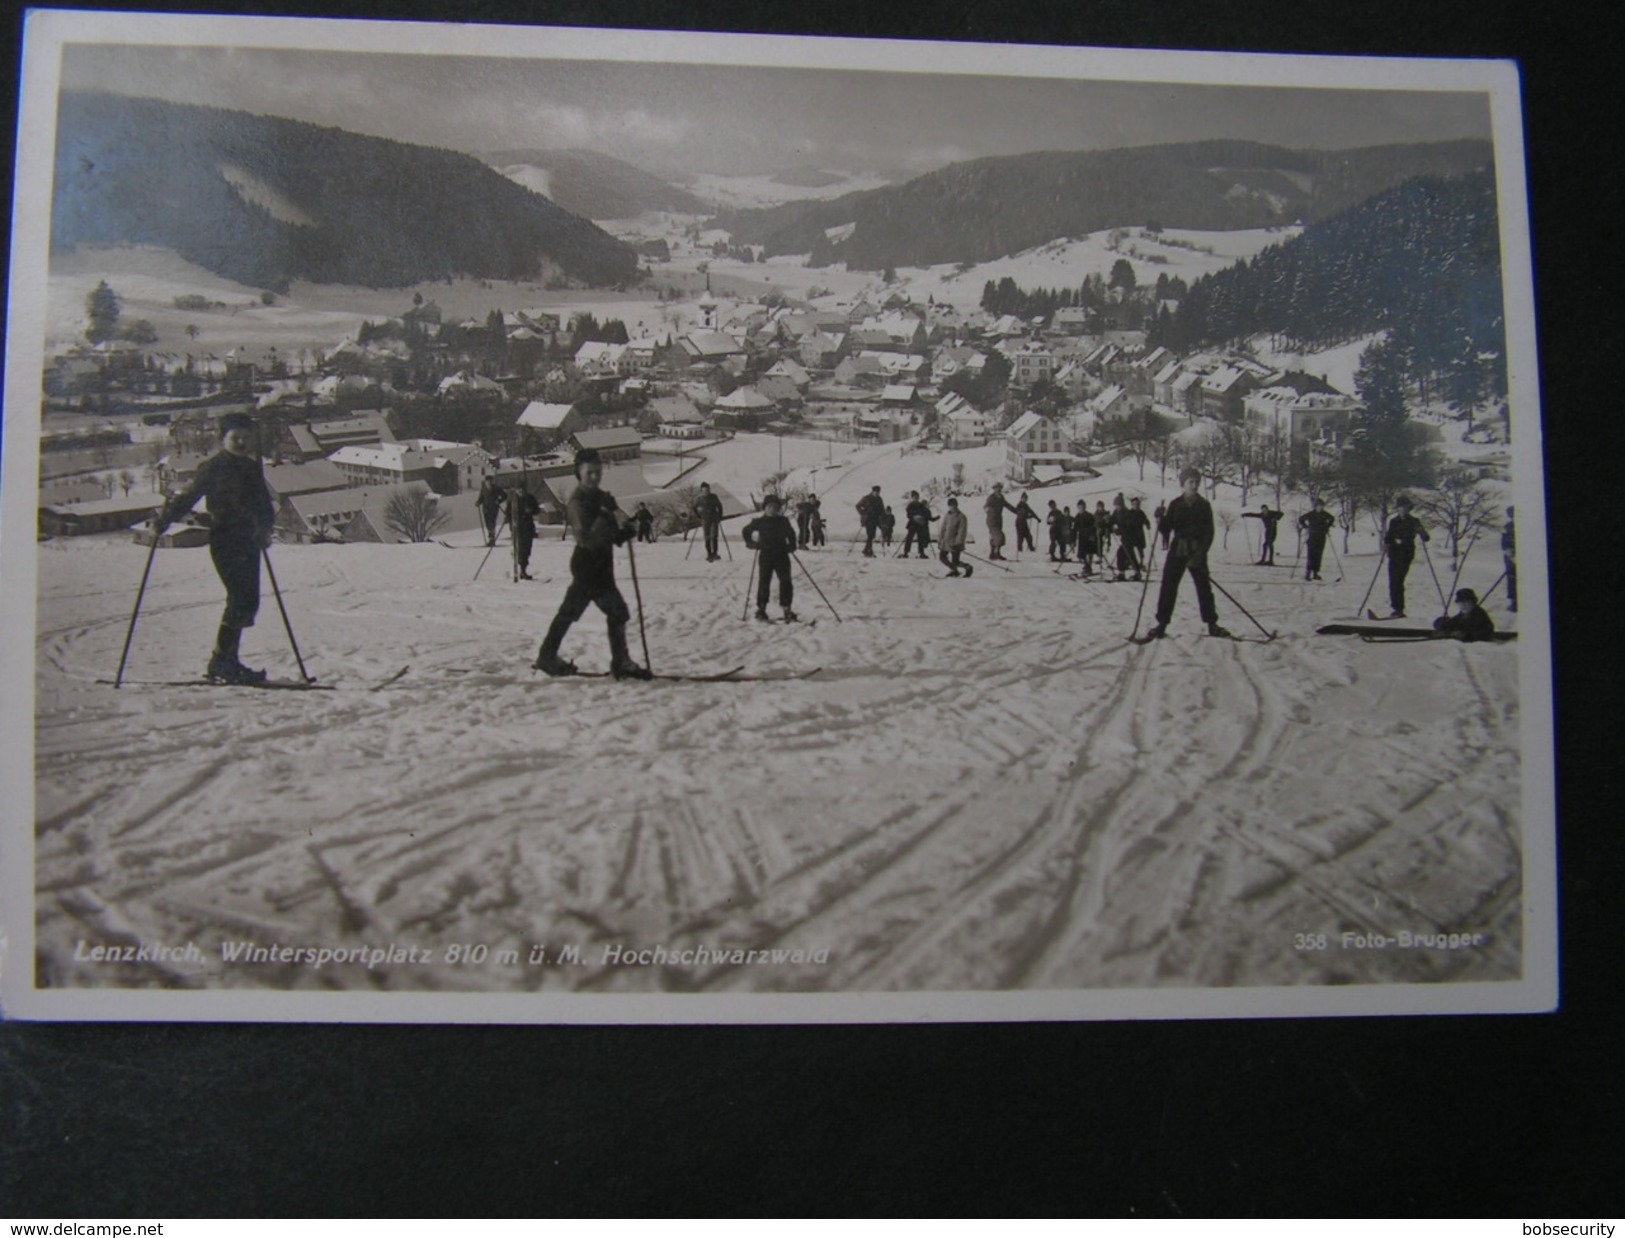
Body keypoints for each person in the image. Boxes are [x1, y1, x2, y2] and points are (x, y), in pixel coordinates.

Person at [153, 410, 276, 684]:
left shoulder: (251, 466)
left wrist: (264, 527)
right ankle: (222, 662)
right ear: (223, 439)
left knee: (248, 601)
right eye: (236, 437)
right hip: (226, 539)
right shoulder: (213, 468)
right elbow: (188, 498)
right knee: (239, 599)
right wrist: (165, 520)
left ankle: (226, 660)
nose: (242, 442)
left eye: (246, 437)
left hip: (249, 541)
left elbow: (263, 504)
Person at [532, 448, 650, 679]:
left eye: (598, 472)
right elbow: (586, 538)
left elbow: (607, 533)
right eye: (590, 473)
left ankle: (547, 656)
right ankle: (621, 663)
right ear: (579, 473)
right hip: (589, 565)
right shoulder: (578, 501)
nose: (595, 477)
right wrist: (606, 513)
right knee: (615, 612)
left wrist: (623, 532)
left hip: (600, 564)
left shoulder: (597, 496)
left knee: (571, 612)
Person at [1144, 467, 1230, 639]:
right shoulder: (1176, 504)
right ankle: (1162, 624)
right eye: (1191, 482)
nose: (1194, 485)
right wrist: (1159, 519)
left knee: (1204, 588)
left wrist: (1200, 555)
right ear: (1183, 484)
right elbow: (1166, 529)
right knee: (1168, 586)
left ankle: (1212, 624)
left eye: (1197, 482)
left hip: (1196, 551)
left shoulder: (1204, 505)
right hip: (1178, 550)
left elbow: (1209, 533)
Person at [743, 493, 799, 622]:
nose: (772, 509)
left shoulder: (783, 521)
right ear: (765, 508)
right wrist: (751, 543)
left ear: (778, 508)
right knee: (764, 582)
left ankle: (787, 609)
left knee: (786, 582)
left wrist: (791, 545)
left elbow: (791, 534)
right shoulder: (759, 521)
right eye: (769, 506)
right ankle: (761, 609)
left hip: (782, 555)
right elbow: (746, 531)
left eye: (775, 507)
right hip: (766, 556)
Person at [1383, 495, 1430, 619]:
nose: (1402, 509)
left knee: (1398, 580)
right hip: (1394, 554)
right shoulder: (1393, 521)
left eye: (1405, 507)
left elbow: (1426, 538)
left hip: (1406, 554)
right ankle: (1396, 609)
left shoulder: (1414, 521)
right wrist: (1388, 543)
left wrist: (1421, 532)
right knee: (1393, 582)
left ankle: (1399, 609)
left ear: (1409, 508)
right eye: (1400, 507)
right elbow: (1388, 537)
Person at [1298, 498, 1336, 581]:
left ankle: (1315, 573)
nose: (1320, 508)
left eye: (1321, 506)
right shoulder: (1311, 514)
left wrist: (1327, 526)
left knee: (1318, 556)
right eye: (1318, 506)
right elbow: (1301, 519)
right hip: (1312, 537)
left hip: (1321, 537)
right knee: (1311, 555)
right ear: (1315, 507)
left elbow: (1332, 518)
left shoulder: (1324, 514)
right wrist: (1305, 526)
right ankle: (1308, 573)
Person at [508, 484, 541, 580]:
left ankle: (523, 569)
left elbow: (536, 510)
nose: (520, 492)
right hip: (517, 528)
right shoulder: (513, 500)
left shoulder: (530, 498)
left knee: (527, 549)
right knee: (520, 549)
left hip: (528, 527)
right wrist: (509, 519)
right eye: (519, 490)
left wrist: (531, 511)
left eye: (522, 490)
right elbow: (507, 512)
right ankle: (520, 570)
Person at [938, 497, 973, 577]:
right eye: (950, 505)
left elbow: (962, 531)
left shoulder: (961, 517)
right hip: (946, 542)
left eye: (953, 505)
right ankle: (954, 570)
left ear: (956, 506)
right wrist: (940, 539)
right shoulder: (947, 515)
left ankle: (968, 567)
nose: (952, 507)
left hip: (956, 543)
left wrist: (957, 542)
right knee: (942, 557)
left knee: (955, 561)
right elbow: (943, 528)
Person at [1120, 496, 1151, 581]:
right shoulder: (1129, 513)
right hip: (1131, 536)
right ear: (1132, 505)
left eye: (1137, 504)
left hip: (1139, 534)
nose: (1136, 505)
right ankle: (1133, 566)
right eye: (1134, 504)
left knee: (1140, 550)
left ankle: (1140, 564)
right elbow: (1125, 523)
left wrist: (1148, 524)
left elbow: (1146, 520)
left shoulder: (1141, 513)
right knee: (1131, 552)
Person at [984, 483, 1017, 560]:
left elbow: (1007, 505)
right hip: (992, 520)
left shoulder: (1001, 497)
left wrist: (1017, 511)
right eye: (997, 488)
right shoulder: (991, 498)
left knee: (993, 537)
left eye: (1000, 488)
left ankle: (993, 553)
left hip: (999, 519)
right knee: (999, 536)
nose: (999, 490)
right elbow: (986, 506)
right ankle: (996, 553)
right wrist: (989, 510)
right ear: (994, 489)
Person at [693, 482, 724, 562]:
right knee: (707, 537)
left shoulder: (713, 497)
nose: (707, 491)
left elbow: (719, 506)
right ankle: (709, 554)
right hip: (705, 519)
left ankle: (715, 553)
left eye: (708, 489)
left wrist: (720, 516)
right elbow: (694, 508)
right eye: (705, 489)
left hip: (714, 518)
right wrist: (698, 516)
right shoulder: (698, 498)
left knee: (714, 535)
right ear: (702, 490)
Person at [902, 491, 936, 559]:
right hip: (912, 524)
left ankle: (921, 552)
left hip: (920, 525)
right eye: (915, 497)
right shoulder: (910, 505)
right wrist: (915, 516)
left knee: (921, 538)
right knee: (909, 538)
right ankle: (906, 552)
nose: (916, 499)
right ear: (912, 498)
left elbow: (925, 513)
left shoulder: (921, 505)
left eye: (917, 497)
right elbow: (908, 515)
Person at [856, 486, 885, 557]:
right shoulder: (866, 498)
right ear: (873, 491)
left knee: (872, 535)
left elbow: (882, 509)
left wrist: (882, 517)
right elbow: (858, 506)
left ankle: (866, 550)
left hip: (876, 519)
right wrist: (863, 513)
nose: (877, 493)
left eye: (878, 492)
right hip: (868, 519)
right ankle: (868, 551)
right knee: (870, 535)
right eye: (876, 492)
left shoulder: (879, 499)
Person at [477, 476, 505, 548]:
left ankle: (492, 539)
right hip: (486, 509)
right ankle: (490, 538)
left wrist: (499, 501)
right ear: (485, 482)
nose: (489, 482)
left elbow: (505, 495)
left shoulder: (497, 488)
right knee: (487, 523)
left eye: (490, 481)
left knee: (491, 523)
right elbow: (481, 498)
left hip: (494, 508)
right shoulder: (483, 489)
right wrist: (478, 502)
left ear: (492, 481)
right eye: (487, 481)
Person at [1074, 500, 1096, 576]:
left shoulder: (1089, 516)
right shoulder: (1077, 516)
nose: (1081, 508)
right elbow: (1075, 528)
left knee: (1090, 552)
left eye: (1082, 507)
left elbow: (1093, 526)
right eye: (1079, 507)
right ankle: (1087, 567)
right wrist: (1072, 539)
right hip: (1082, 537)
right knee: (1081, 554)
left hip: (1089, 536)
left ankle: (1089, 567)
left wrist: (1092, 535)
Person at [1501, 506, 1517, 613]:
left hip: (1527, 557)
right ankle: (1514, 602)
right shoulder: (1508, 528)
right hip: (1512, 558)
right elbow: (1505, 544)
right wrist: (1510, 553)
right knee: (1512, 579)